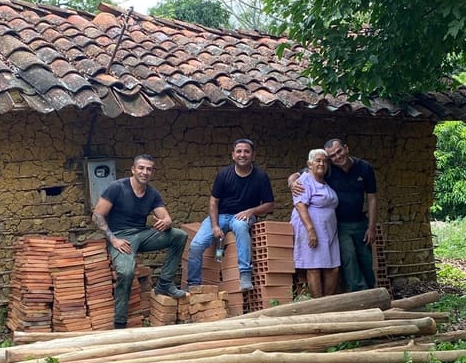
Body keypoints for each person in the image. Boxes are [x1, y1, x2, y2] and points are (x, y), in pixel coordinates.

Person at [92, 154, 188, 328]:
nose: (145, 172)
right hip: (120, 237)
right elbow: (97, 215)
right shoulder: (117, 188)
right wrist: (113, 240)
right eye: (141, 168)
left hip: (143, 235)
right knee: (126, 272)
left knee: (179, 235)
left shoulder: (152, 193)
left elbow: (166, 216)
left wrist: (166, 222)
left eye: (149, 169)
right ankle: (120, 322)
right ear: (133, 169)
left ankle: (164, 284)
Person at [185, 138, 276, 291]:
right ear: (233, 155)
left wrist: (251, 211)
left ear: (253, 155)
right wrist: (214, 225)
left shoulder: (261, 176)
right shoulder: (224, 174)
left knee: (241, 226)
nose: (242, 155)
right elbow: (213, 201)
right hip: (221, 216)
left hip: (242, 216)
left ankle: (245, 275)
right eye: (239, 151)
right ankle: (193, 284)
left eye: (247, 151)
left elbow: (270, 204)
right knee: (196, 245)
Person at [290, 137, 378, 292]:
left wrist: (371, 227)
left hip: (356, 223)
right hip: (339, 225)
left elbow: (372, 198)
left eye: (339, 151)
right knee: (347, 258)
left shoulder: (364, 168)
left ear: (346, 148)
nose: (337, 157)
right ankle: (357, 294)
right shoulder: (328, 170)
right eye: (333, 156)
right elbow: (301, 175)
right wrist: (292, 181)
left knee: (364, 258)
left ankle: (371, 291)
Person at [290, 148, 340, 298]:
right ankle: (318, 303)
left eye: (325, 161)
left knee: (333, 267)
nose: (322, 164)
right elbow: (300, 205)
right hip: (311, 228)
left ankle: (327, 301)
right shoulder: (304, 181)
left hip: (328, 231)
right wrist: (311, 230)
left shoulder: (324, 182)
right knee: (314, 267)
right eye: (318, 160)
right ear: (309, 164)